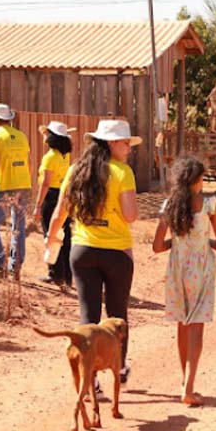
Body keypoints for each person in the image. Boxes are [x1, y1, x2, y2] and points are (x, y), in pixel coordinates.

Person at [47, 118, 140, 386]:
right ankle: (119, 368)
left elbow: (60, 212)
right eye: (125, 143)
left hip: (83, 250)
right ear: (111, 143)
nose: (129, 148)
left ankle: (91, 377)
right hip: (116, 252)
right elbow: (131, 215)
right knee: (117, 313)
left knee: (88, 315)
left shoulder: (77, 170)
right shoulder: (123, 173)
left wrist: (50, 241)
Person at [152, 156, 216, 407]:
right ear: (197, 180)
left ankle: (184, 381)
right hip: (202, 269)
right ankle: (189, 387)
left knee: (182, 325)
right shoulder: (209, 205)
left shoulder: (169, 206)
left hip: (176, 269)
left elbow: (157, 246)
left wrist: (178, 244)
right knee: (197, 327)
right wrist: (204, 243)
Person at [0, 103, 31, 279]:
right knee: (19, 227)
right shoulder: (21, 136)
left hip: (6, 186)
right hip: (24, 184)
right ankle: (15, 267)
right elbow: (28, 162)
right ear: (9, 119)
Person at [32, 120, 76, 287]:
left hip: (51, 196)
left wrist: (37, 205)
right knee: (64, 234)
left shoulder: (49, 157)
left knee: (51, 234)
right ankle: (67, 275)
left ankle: (55, 273)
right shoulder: (65, 155)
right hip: (63, 195)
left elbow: (45, 183)